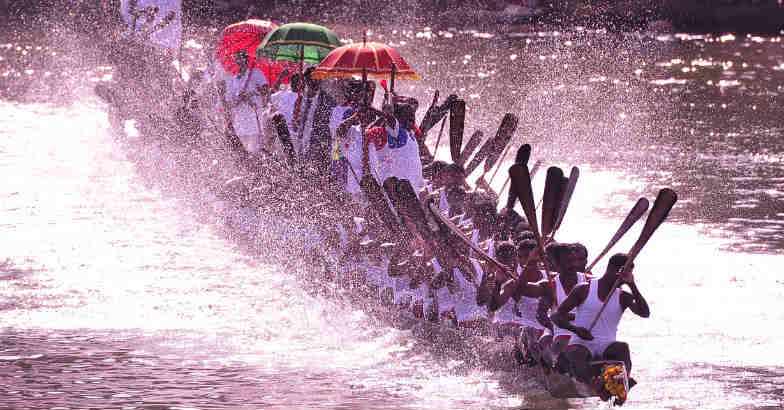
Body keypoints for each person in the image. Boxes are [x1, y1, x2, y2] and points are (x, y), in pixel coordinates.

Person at [550, 253, 649, 400]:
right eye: (624, 273)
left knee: (623, 347)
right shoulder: (584, 289)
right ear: (611, 269)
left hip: (606, 345)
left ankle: (622, 384)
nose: (625, 278)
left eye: (628, 274)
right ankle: (595, 385)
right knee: (577, 352)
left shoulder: (623, 296)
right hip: (582, 342)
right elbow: (556, 316)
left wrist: (632, 284)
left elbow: (645, 313)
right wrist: (576, 330)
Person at [226, 50, 269, 154]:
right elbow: (230, 102)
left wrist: (251, 93)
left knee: (254, 152)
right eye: (237, 59)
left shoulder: (256, 73)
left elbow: (266, 89)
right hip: (240, 124)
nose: (239, 61)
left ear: (247, 60)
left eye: (241, 58)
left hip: (254, 121)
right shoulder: (233, 79)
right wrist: (238, 98)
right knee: (241, 154)